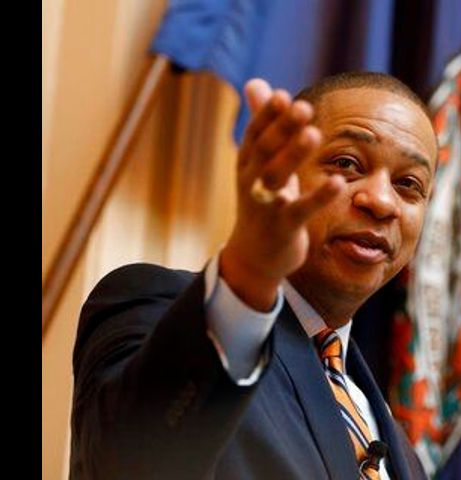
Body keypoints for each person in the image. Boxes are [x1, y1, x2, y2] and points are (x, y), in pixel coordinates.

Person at [70, 71, 438, 480]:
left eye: (409, 184)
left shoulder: (403, 454)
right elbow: (130, 461)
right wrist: (250, 274)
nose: (382, 201)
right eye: (346, 163)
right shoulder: (157, 306)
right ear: (284, 169)